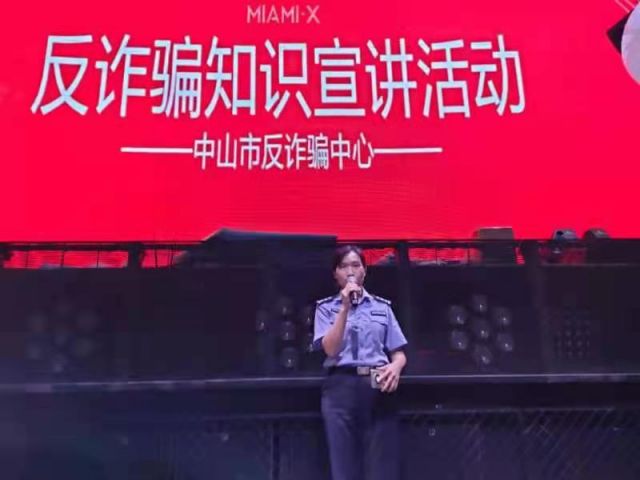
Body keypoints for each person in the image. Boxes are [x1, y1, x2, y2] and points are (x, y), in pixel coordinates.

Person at [313, 245, 408, 480]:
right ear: (335, 274)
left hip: (376, 380)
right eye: (344, 266)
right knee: (344, 464)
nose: (350, 272)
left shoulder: (382, 308)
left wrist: (395, 366)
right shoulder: (325, 308)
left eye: (356, 265)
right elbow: (331, 349)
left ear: (364, 271)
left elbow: (398, 352)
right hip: (341, 383)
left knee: (381, 464)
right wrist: (344, 308)